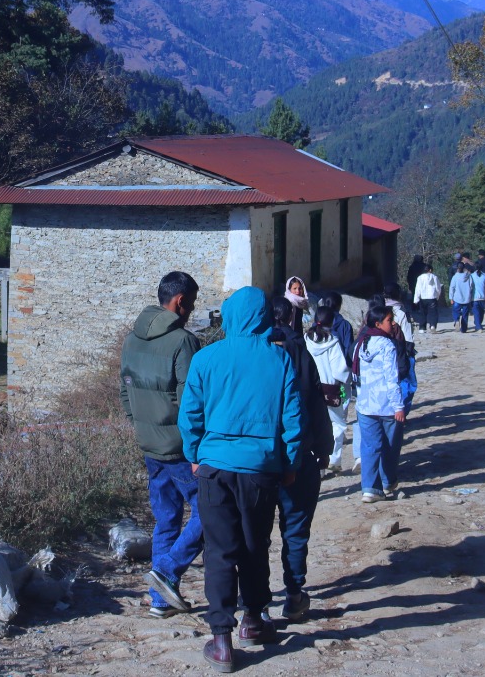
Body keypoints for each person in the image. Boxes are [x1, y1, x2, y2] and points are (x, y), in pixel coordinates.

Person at [178, 286, 303, 673]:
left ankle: (221, 641)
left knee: (219, 551)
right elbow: (292, 420)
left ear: (230, 317)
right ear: (264, 317)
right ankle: (253, 619)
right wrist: (290, 463)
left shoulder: (206, 358)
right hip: (260, 470)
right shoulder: (279, 359)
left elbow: (190, 415)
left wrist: (194, 455)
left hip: (214, 468)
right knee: (254, 546)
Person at [119, 271, 204, 618]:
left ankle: (160, 601)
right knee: (209, 512)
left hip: (149, 446)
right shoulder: (183, 342)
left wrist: (142, 426)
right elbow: (191, 402)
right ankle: (167, 571)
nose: (192, 311)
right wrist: (198, 445)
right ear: (180, 301)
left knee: (166, 520)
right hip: (180, 449)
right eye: (192, 304)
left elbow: (125, 392)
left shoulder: (131, 339)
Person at [267, 296, 334, 623]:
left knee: (256, 532)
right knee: (295, 529)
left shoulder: (256, 354)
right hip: (299, 456)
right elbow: (315, 402)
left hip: (259, 458)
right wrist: (324, 447)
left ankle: (256, 605)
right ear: (291, 317)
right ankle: (294, 594)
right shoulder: (300, 352)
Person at [352, 298, 408, 503]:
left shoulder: (361, 343)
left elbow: (356, 374)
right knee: (390, 446)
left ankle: (369, 488)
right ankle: (387, 482)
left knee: (369, 447)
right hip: (386, 405)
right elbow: (391, 378)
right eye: (389, 320)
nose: (393, 323)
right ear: (378, 324)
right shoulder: (387, 345)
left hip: (365, 405)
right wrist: (398, 406)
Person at [305, 299, 354, 473]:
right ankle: (334, 458)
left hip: (311, 388)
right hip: (330, 389)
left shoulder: (306, 339)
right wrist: (347, 381)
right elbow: (339, 370)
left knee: (314, 424)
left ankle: (318, 465)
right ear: (332, 322)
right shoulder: (332, 341)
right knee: (337, 424)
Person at [413, 262, 441, 332]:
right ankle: (432, 325)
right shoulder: (434, 277)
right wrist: (437, 296)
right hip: (432, 298)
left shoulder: (420, 277)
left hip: (423, 298)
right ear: (430, 270)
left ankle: (422, 328)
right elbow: (438, 288)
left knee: (422, 313)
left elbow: (418, 289)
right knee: (433, 313)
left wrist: (416, 299)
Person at [449, 262, 473, 333]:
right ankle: (464, 329)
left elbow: (452, 287)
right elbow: (471, 286)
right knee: (465, 314)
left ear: (457, 268)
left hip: (457, 297)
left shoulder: (455, 277)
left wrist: (451, 297)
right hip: (467, 298)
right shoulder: (469, 276)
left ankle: (456, 320)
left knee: (455, 311)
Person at [469, 261, 485, 333]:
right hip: (483, 297)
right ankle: (478, 325)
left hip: (474, 297)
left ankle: (478, 327)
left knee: (476, 313)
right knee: (481, 313)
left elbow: (470, 286)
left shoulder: (472, 276)